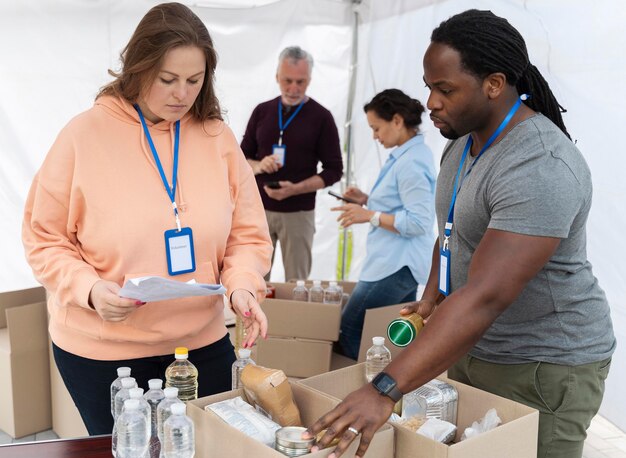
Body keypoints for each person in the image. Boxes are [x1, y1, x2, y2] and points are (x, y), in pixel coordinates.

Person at [304, 10, 615, 458]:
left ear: (494, 83)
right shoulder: (462, 144)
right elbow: (451, 233)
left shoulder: (540, 165)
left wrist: (386, 387)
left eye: (444, 89)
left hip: (545, 365)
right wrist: (431, 297)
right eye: (429, 86)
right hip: (477, 346)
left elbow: (487, 295)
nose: (430, 102)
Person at [22, 2, 272, 436]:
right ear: (138, 69)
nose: (182, 94)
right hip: (103, 353)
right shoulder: (83, 135)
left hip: (201, 344)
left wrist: (243, 285)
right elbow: (44, 238)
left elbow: (247, 234)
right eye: (168, 79)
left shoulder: (217, 137)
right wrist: (90, 289)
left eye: (194, 81)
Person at [332, 89, 436, 360]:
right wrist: (367, 200)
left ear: (398, 121)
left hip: (396, 265)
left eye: (376, 128)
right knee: (395, 338)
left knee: (349, 330)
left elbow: (419, 221)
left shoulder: (411, 162)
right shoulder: (406, 156)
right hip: (396, 263)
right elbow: (401, 204)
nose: (375, 136)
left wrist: (369, 215)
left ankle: (365, 391)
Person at [240, 46, 343, 281]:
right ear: (277, 77)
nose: (294, 88)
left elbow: (334, 170)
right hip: (259, 210)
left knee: (297, 283)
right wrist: (258, 165)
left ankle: (294, 319)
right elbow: (240, 157)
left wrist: (295, 189)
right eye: (288, 81)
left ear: (309, 80)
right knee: (254, 279)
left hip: (299, 213)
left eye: (301, 82)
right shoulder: (262, 111)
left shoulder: (322, 117)